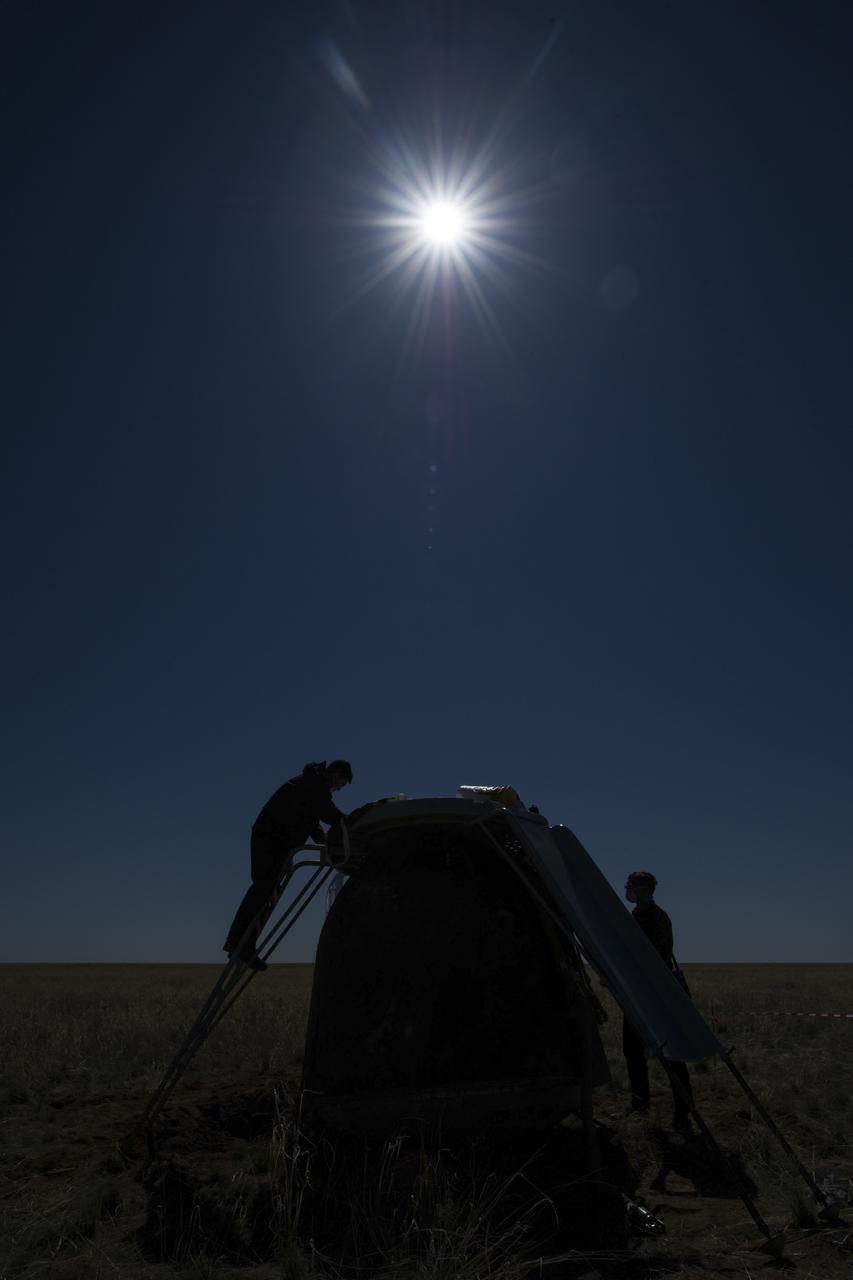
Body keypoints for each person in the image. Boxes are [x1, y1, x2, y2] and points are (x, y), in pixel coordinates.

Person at [223, 759, 353, 971]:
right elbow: (328, 813)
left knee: (267, 892)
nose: (338, 789)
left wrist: (326, 842)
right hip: (270, 840)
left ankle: (244, 945)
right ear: (337, 775)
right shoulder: (315, 785)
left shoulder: (312, 785)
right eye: (341, 784)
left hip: (277, 842)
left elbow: (313, 821)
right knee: (263, 889)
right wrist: (352, 824)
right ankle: (238, 942)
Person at [622, 870, 694, 1130]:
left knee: (672, 1054)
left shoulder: (657, 918)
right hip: (636, 994)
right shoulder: (635, 916)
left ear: (646, 888)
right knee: (632, 1051)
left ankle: (683, 1111)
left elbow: (652, 957)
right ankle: (640, 1105)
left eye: (632, 884)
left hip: (657, 994)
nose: (627, 888)